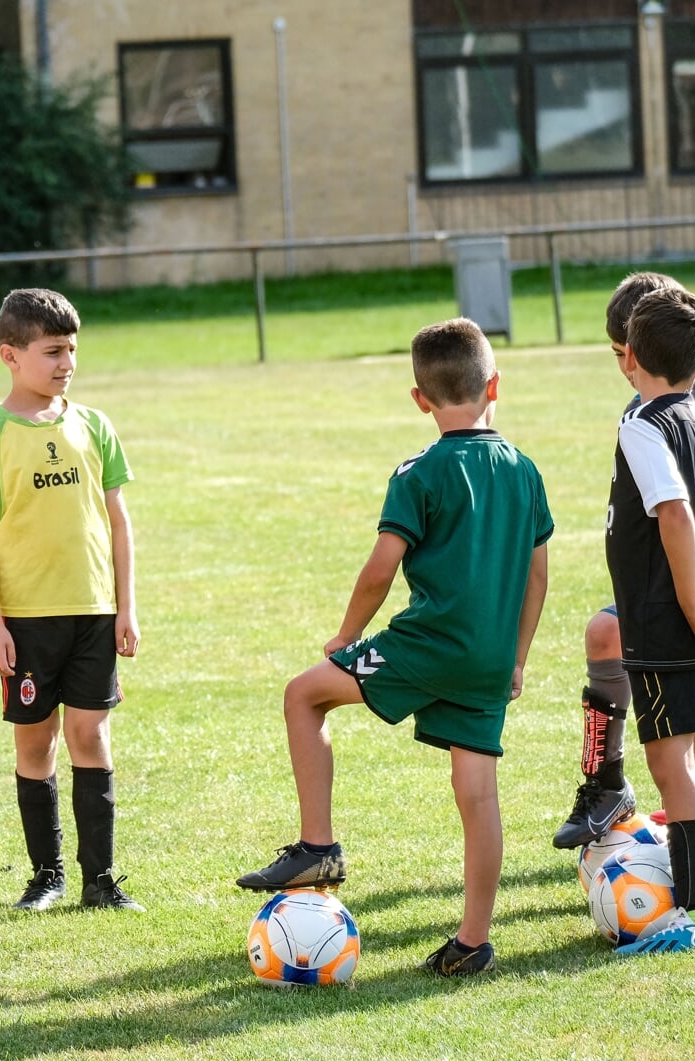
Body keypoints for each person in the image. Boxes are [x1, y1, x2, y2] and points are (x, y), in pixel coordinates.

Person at [235, 319, 552, 976]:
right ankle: (473, 939)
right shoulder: (524, 470)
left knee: (304, 694)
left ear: (420, 399)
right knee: (477, 793)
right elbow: (537, 573)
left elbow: (382, 567)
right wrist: (516, 656)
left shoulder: (420, 472)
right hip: (489, 657)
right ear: (494, 385)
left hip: (425, 645)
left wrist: (347, 637)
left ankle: (318, 846)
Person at [553, 274, 695, 849]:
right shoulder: (641, 407)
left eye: (630, 354)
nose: (624, 366)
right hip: (666, 584)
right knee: (604, 633)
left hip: (689, 587)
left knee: (694, 710)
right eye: (617, 355)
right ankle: (606, 785)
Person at [0, 288, 142, 913]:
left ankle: (101, 880)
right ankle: (47, 875)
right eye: (52, 351)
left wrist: (127, 607)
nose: (66, 363)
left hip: (92, 611)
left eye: (72, 350)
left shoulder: (94, 425)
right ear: (11, 355)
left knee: (90, 735)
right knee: (36, 745)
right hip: (26, 620)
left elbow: (118, 522)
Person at [603, 287, 695, 954]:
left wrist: (690, 608)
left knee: (670, 765)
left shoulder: (643, 425)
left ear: (630, 359)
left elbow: (679, 515)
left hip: (663, 619)